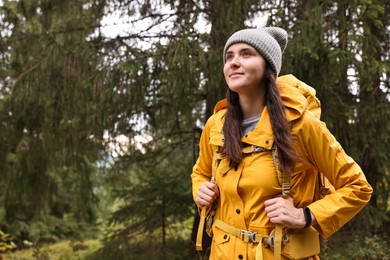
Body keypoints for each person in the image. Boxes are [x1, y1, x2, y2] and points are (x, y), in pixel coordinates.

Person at [191, 27, 373, 260]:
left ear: (268, 67)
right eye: (229, 56)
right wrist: (200, 189)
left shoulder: (300, 125)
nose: (234, 62)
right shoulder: (216, 124)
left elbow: (358, 187)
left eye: (246, 54)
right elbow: (201, 172)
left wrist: (306, 215)